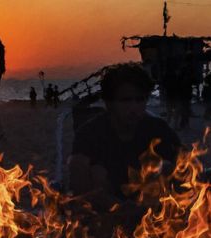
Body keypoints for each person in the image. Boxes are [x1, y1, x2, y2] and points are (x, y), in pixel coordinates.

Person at [69, 63, 182, 210]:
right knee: (97, 172)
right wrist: (118, 207)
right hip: (106, 206)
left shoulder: (157, 129)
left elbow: (183, 164)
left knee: (166, 166)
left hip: (149, 204)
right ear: (109, 103)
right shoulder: (90, 132)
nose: (134, 107)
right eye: (125, 101)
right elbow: (79, 181)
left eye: (139, 100)